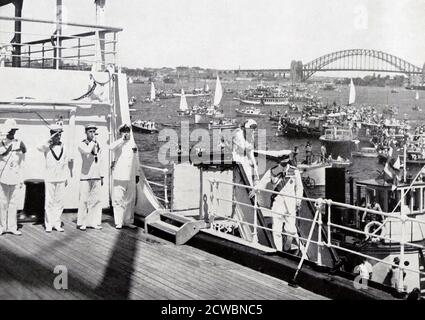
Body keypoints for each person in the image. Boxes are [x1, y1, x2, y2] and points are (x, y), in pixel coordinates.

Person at [252, 155, 304, 252]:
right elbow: (263, 182)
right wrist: (255, 189)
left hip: (291, 205)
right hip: (277, 204)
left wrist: (298, 201)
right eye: (282, 160)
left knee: (291, 230)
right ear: (279, 161)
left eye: (285, 159)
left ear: (288, 160)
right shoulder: (273, 171)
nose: (284, 162)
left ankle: (287, 247)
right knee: (276, 230)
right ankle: (279, 251)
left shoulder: (294, 171)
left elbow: (299, 187)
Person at [37, 124, 72, 233]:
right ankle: (49, 224)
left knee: (59, 202)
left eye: (60, 134)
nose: (59, 137)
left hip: (61, 178)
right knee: (49, 202)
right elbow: (38, 147)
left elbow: (65, 162)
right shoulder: (47, 146)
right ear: (52, 135)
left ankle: (57, 223)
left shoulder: (64, 146)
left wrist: (66, 177)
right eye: (56, 135)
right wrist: (49, 140)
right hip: (50, 177)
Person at [110, 124, 141, 229]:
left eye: (127, 131)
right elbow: (110, 147)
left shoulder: (133, 144)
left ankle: (127, 220)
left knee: (130, 199)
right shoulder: (118, 144)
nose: (126, 133)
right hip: (120, 175)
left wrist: (137, 173)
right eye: (124, 131)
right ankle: (118, 222)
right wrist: (122, 140)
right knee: (118, 199)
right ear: (120, 133)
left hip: (131, 175)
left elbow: (136, 160)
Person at [0, 119, 26, 236]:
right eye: (11, 130)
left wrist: (23, 147)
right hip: (3, 176)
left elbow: (24, 152)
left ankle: (12, 227)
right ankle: (2, 227)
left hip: (14, 176)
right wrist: (8, 149)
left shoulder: (18, 141)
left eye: (14, 130)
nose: (13, 133)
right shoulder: (1, 142)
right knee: (2, 203)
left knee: (13, 203)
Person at [77, 124, 103, 231]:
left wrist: (102, 176)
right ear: (86, 133)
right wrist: (93, 142)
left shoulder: (97, 144)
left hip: (96, 175)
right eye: (90, 132)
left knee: (96, 200)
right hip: (86, 176)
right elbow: (87, 151)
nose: (92, 134)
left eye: (94, 131)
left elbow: (100, 160)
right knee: (84, 200)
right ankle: (82, 222)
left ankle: (94, 222)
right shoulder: (82, 144)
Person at [232, 119, 260, 185]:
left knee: (252, 175)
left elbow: (251, 152)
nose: (253, 131)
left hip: (246, 158)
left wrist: (255, 166)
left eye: (254, 129)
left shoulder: (251, 136)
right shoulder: (238, 135)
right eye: (251, 129)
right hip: (238, 158)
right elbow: (243, 149)